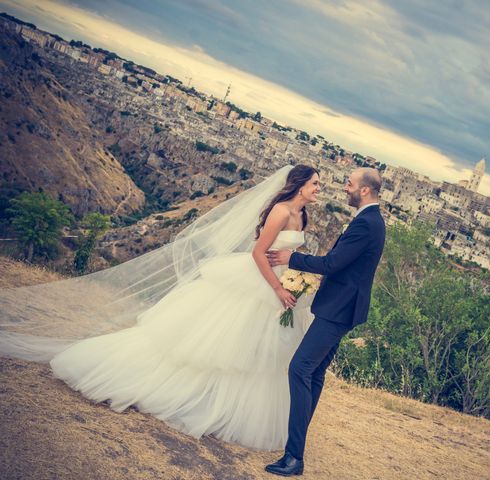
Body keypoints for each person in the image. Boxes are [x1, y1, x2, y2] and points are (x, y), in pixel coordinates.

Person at [0, 164, 321, 451]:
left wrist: (294, 278)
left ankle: (223, 403)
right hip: (261, 283)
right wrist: (278, 287)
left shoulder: (303, 215)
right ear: (300, 185)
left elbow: (289, 252)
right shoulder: (280, 211)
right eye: (315, 184)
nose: (318, 189)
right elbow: (258, 253)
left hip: (282, 286)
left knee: (252, 352)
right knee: (218, 344)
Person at [264, 167, 386, 476]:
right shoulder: (371, 221)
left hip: (338, 310)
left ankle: (294, 457)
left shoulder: (366, 224)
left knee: (299, 369)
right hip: (343, 308)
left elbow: (332, 264)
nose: (345, 188)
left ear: (365, 191)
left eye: (350, 184)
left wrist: (291, 259)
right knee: (314, 374)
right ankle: (296, 447)